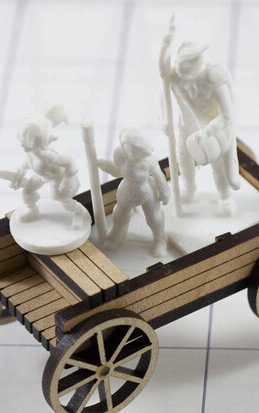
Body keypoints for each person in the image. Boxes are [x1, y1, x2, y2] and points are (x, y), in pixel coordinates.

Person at [160, 22, 241, 214]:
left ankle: (224, 196)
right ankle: (189, 188)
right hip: (185, 124)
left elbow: (227, 116)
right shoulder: (175, 74)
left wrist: (208, 132)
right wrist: (165, 119)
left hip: (210, 126)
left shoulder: (214, 76)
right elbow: (163, 93)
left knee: (218, 164)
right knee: (183, 158)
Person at [97, 126, 171, 257]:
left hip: (147, 192)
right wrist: (102, 165)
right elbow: (117, 171)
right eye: (130, 149)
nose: (133, 153)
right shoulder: (120, 155)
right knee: (120, 215)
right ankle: (116, 234)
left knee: (154, 218)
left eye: (137, 150)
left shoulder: (149, 160)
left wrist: (164, 192)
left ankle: (160, 239)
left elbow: (159, 176)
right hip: (127, 191)